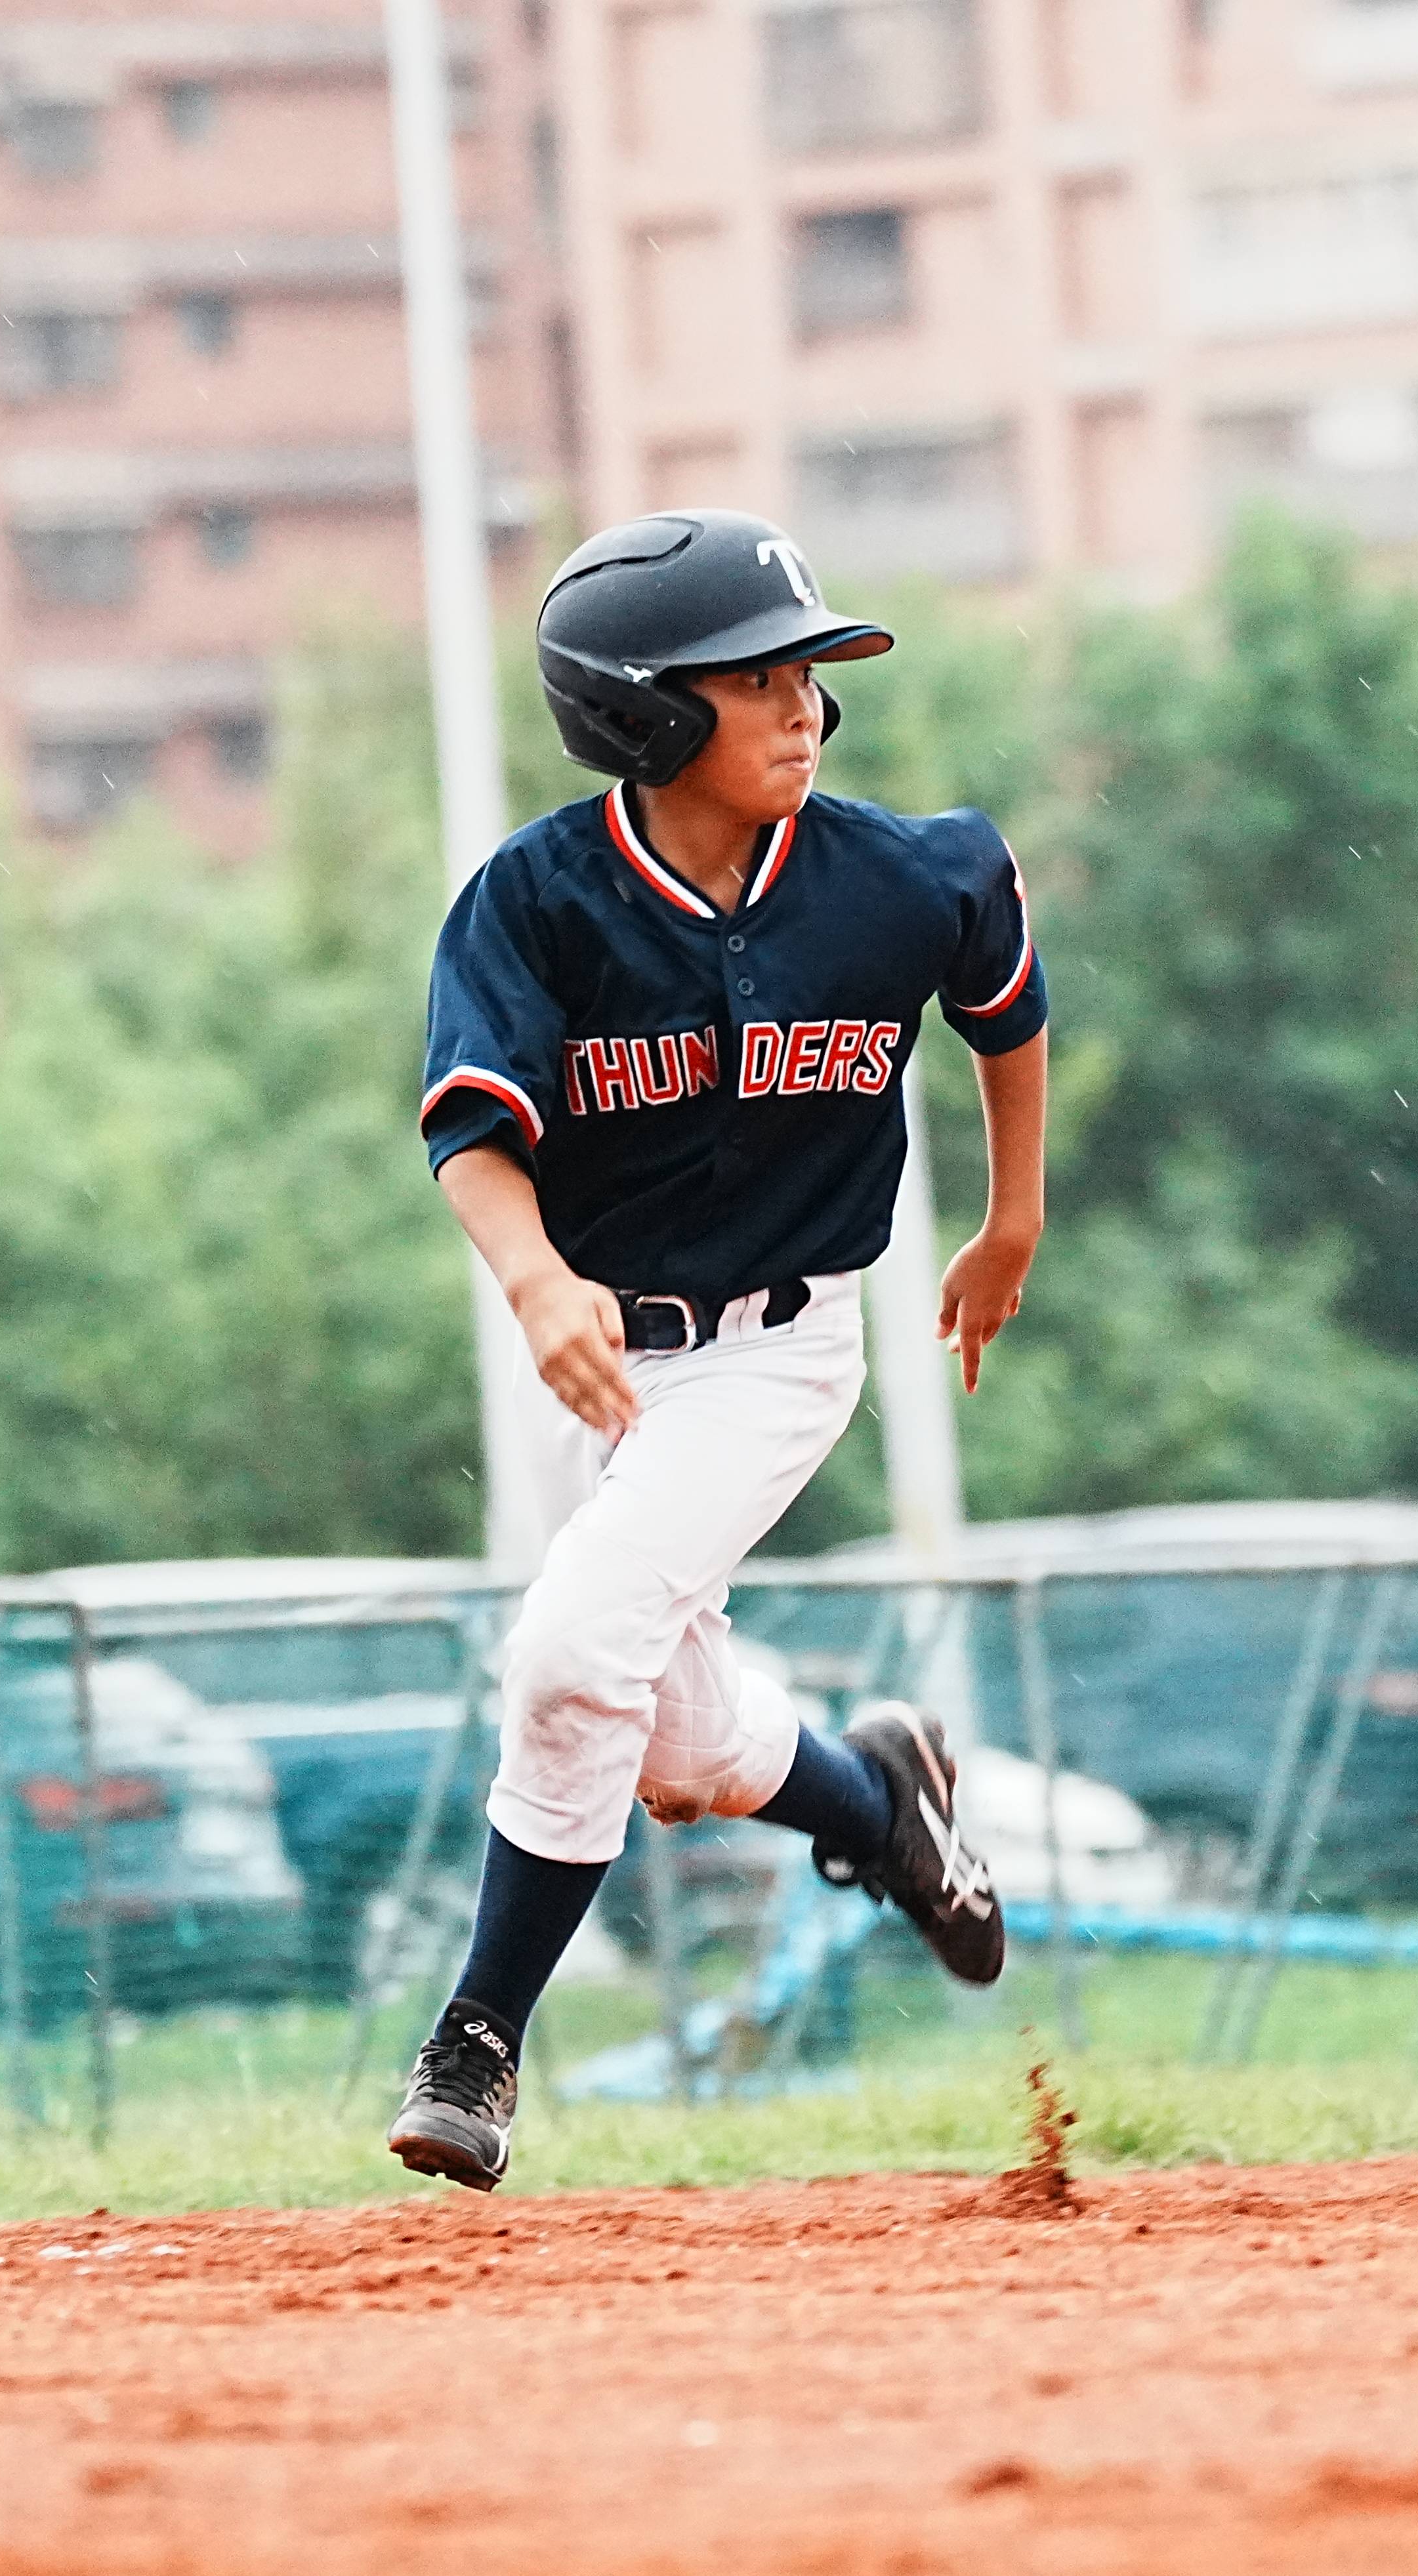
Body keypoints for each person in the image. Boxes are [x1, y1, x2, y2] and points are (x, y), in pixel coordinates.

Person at [389, 508, 1051, 2190]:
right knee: (675, 1751)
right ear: (641, 710)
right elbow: (471, 1129)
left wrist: (1013, 1216)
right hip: (594, 1353)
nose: (802, 705)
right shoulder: (539, 902)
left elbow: (1003, 980)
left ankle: (477, 2039)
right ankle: (881, 1803)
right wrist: (536, 1280)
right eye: (754, 679)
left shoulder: (897, 877)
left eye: (806, 673)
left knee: (568, 1658)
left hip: (776, 1351)